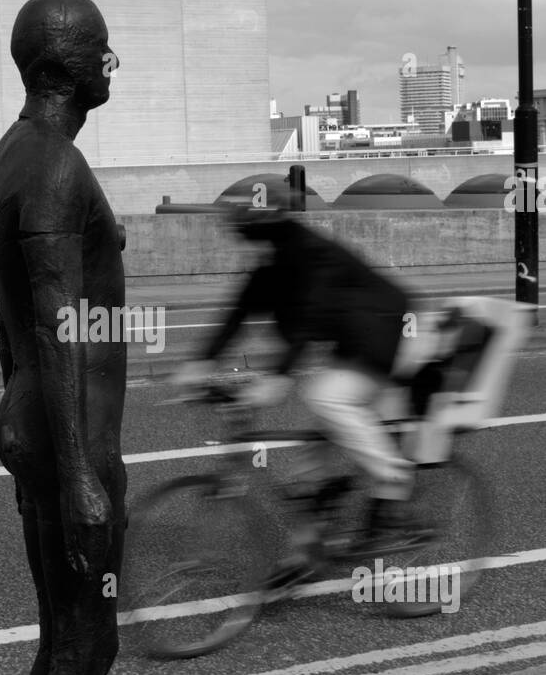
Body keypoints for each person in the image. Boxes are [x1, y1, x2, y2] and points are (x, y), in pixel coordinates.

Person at [0, 0, 150, 675]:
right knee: (84, 648)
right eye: (98, 50)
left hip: (44, 430)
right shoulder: (53, 168)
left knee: (60, 644)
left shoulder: (17, 154)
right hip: (76, 444)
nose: (106, 63)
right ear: (58, 69)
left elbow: (11, 322)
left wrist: (11, 410)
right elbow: (52, 325)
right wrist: (81, 474)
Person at [170, 197, 427, 549]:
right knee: (311, 462)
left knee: (325, 396)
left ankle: (395, 482)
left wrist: (278, 376)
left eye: (247, 231)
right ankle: (310, 545)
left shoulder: (313, 254)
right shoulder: (274, 260)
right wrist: (200, 362)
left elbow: (310, 315)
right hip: (355, 344)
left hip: (390, 333)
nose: (244, 240)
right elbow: (239, 311)